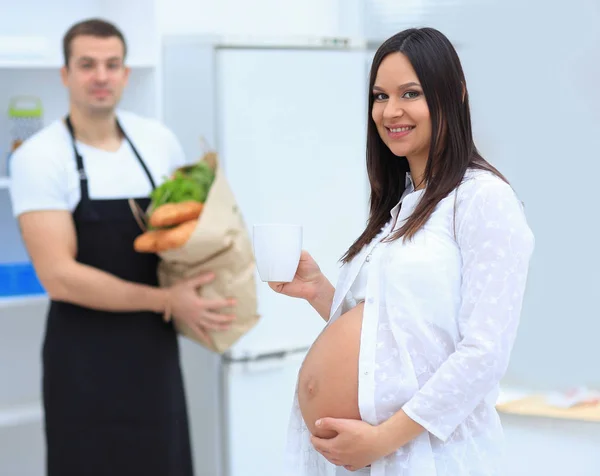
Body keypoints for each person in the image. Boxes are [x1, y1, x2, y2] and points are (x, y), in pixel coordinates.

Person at [270, 27, 535, 475]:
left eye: (409, 94)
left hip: (427, 456)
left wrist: (380, 440)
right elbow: (395, 332)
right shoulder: (403, 204)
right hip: (370, 457)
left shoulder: (482, 199)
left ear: (454, 93)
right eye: (379, 96)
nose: (390, 111)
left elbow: (484, 353)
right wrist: (319, 291)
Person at [9, 18, 236, 476]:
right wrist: (166, 299)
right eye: (88, 64)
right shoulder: (39, 156)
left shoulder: (157, 141)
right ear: (65, 74)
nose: (101, 76)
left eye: (112, 64)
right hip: (83, 360)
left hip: (153, 352)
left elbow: (187, 233)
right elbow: (59, 276)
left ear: (126, 74)